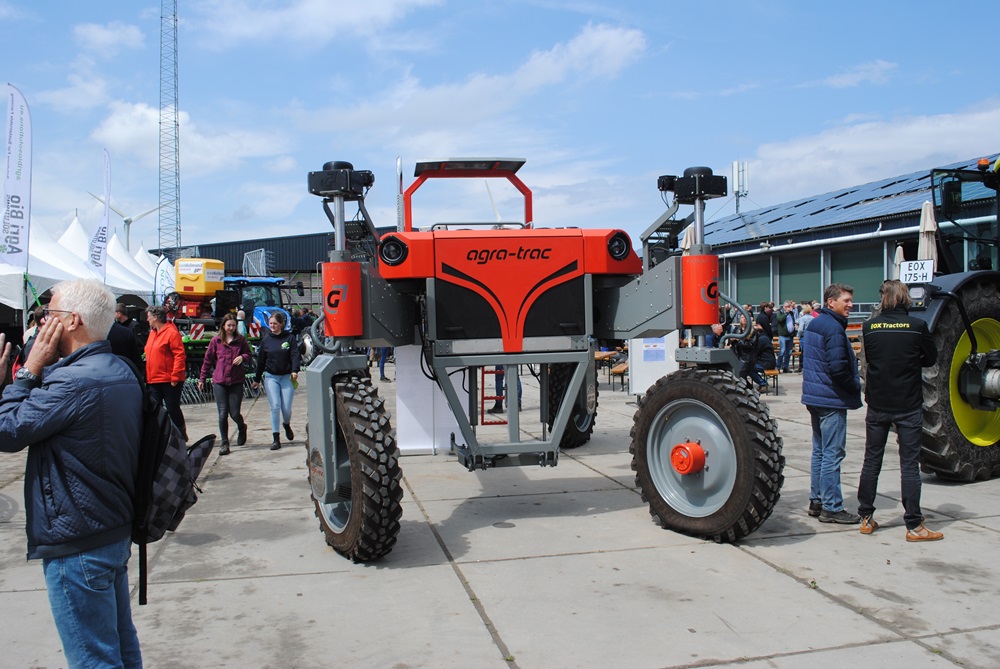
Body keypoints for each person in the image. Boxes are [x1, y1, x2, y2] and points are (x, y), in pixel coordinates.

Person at [0, 279, 143, 668]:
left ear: (72, 321)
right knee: (120, 648)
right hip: (110, 528)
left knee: (93, 658)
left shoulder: (74, 381)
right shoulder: (118, 368)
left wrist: (27, 371)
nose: (44, 321)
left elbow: (7, 431)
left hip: (77, 539)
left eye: (51, 314)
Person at [857, 280, 942, 541]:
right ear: (906, 299)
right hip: (907, 403)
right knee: (908, 464)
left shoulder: (870, 327)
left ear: (884, 300)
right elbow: (930, 358)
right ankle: (914, 525)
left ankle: (866, 517)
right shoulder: (917, 327)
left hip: (878, 404)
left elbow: (870, 359)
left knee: (872, 461)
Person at [801, 283, 862, 524]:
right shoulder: (833, 328)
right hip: (830, 398)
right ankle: (832, 506)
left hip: (815, 396)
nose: (850, 305)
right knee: (832, 454)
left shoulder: (816, 323)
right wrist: (855, 386)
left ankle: (817, 500)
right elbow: (838, 368)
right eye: (845, 300)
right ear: (830, 302)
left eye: (850, 300)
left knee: (820, 451)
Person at [198, 313, 252, 455]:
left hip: (236, 381)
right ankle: (224, 442)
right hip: (220, 381)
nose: (231, 328)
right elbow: (208, 361)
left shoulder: (240, 340)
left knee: (234, 413)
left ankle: (241, 427)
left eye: (233, 325)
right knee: (222, 413)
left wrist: (242, 357)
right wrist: (202, 378)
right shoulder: (216, 341)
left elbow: (249, 354)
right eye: (228, 325)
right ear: (223, 325)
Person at [253, 311, 300, 450]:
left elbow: (295, 355)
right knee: (275, 406)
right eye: (270, 323)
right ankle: (276, 438)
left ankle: (286, 424)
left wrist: (295, 370)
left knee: (286, 409)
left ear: (281, 324)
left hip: (287, 377)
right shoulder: (266, 340)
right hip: (271, 377)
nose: (272, 326)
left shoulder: (289, 339)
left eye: (275, 323)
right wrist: (256, 379)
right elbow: (261, 361)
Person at [145, 304, 188, 440]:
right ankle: (162, 437)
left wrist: (175, 376)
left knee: (172, 408)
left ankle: (180, 434)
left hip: (169, 379)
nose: (147, 320)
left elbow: (179, 355)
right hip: (153, 379)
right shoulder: (152, 333)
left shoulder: (171, 333)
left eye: (149, 317)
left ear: (156, 317)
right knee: (156, 410)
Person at [732, 322, 775, 393]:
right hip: (765, 362)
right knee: (747, 368)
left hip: (766, 363)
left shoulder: (762, 339)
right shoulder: (764, 337)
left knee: (749, 368)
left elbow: (755, 351)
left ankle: (763, 384)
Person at [775, 300, 797, 372]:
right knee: (782, 351)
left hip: (790, 335)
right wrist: (786, 313)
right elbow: (780, 319)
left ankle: (785, 367)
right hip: (783, 335)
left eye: (789, 306)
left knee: (789, 352)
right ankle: (778, 366)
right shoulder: (780, 313)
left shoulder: (791, 313)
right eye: (786, 306)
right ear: (784, 307)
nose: (788, 308)